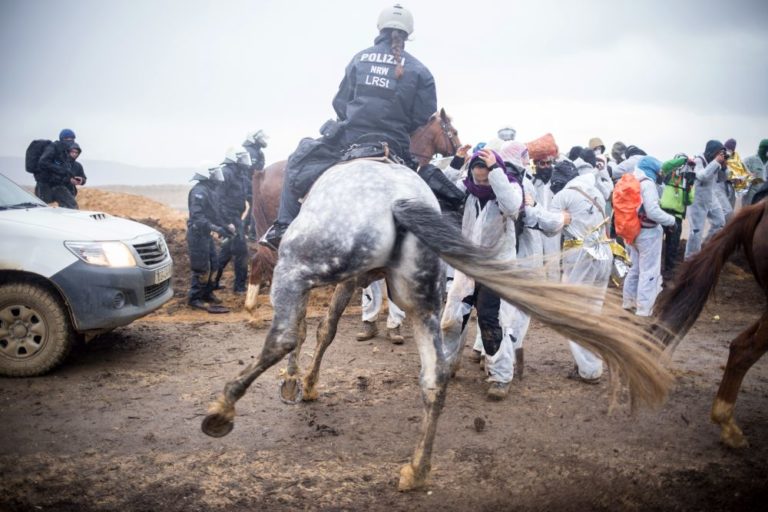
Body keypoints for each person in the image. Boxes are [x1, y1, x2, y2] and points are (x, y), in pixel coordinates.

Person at [260, 4, 436, 250]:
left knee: (299, 157)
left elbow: (341, 102)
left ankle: (283, 226)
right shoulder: (420, 70)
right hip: (396, 144)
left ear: (380, 28)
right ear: (408, 34)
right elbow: (423, 117)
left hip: (353, 138)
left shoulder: (360, 58)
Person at [442, 149, 523, 399]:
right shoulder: (466, 190)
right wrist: (456, 162)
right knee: (453, 318)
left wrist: (495, 173)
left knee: (492, 321)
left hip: (496, 270)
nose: (481, 183)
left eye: (485, 178)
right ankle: (446, 365)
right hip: (467, 267)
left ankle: (500, 377)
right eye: (477, 178)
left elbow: (511, 206)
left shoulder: (511, 189)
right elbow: (440, 188)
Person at [530, 160, 609, 383]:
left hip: (581, 256)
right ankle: (591, 363)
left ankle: (589, 369)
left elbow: (550, 228)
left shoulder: (563, 195)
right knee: (592, 312)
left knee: (572, 312)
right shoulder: (595, 190)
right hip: (604, 252)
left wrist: (535, 206)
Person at [621, 157, 677, 316]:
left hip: (632, 231)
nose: (661, 174)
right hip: (648, 233)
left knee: (635, 269)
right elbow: (652, 211)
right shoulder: (648, 184)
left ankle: (628, 302)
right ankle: (644, 310)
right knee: (649, 272)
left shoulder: (632, 180)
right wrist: (671, 221)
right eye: (660, 171)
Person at [187, 166, 233, 313]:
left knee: (214, 264)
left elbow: (214, 214)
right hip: (197, 235)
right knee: (202, 268)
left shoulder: (209, 191)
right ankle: (195, 298)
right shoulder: (199, 192)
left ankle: (207, 293)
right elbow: (198, 218)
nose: (217, 176)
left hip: (205, 234)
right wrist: (217, 229)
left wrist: (225, 226)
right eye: (214, 173)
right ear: (206, 175)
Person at [214, 146, 251, 293]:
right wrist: (226, 222)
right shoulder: (226, 173)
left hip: (236, 218)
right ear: (234, 159)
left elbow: (248, 194)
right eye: (241, 158)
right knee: (241, 252)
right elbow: (219, 199)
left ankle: (213, 282)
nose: (245, 161)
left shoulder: (240, 175)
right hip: (230, 218)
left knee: (226, 252)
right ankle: (239, 287)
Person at [684, 140, 728, 259]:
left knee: (719, 223)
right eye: (718, 153)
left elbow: (721, 179)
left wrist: (723, 167)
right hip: (697, 199)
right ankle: (690, 260)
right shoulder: (699, 160)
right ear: (711, 151)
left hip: (710, 197)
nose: (719, 156)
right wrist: (716, 162)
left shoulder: (716, 162)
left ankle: (705, 247)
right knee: (696, 232)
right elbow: (702, 176)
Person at [35, 129, 77, 205]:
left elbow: (65, 168)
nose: (70, 140)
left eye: (72, 139)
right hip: (45, 185)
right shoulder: (53, 147)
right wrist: (60, 169)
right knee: (43, 209)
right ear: (61, 139)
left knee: (71, 206)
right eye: (67, 138)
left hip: (58, 184)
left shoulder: (65, 151)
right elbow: (43, 162)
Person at [742, 138, 768, 204]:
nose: (763, 150)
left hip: (764, 194)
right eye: (762, 148)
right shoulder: (750, 160)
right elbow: (740, 173)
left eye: (765, 148)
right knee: (748, 212)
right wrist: (749, 176)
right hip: (750, 194)